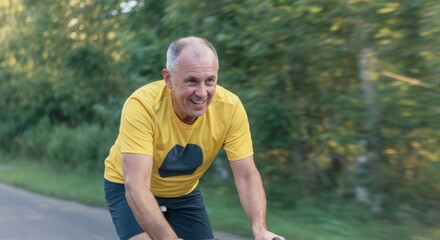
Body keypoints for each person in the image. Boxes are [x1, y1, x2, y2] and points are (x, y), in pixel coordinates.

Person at [103, 36, 284, 240]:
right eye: (191, 81)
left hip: (183, 193)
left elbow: (246, 175)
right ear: (168, 78)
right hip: (128, 186)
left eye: (209, 81)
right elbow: (136, 184)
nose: (202, 92)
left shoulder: (230, 108)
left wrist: (260, 229)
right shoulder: (142, 105)